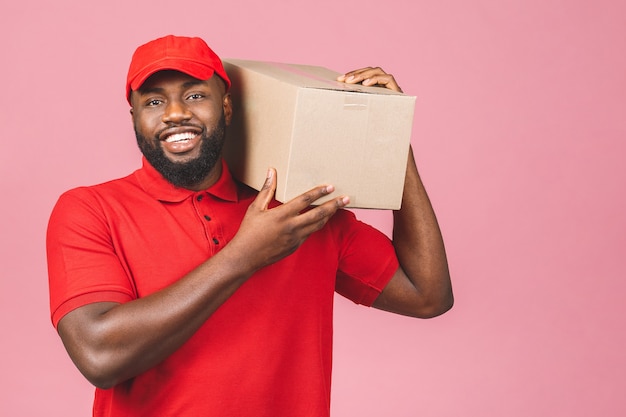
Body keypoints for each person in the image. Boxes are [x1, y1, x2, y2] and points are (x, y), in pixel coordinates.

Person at [47, 34, 453, 417]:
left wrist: (391, 138)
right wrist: (244, 254)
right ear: (134, 116)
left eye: (194, 95)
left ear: (226, 106)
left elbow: (427, 295)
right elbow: (100, 357)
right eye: (154, 102)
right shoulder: (91, 209)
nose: (175, 113)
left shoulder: (298, 211)